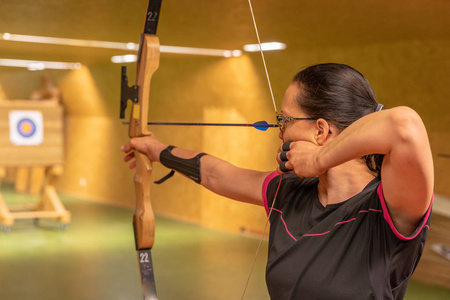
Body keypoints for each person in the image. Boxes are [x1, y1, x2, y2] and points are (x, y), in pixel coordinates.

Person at [121, 63, 434, 299]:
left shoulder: (390, 206)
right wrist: (156, 149)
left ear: (321, 131)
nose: (280, 132)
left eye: (284, 120)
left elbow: (404, 125)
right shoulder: (290, 193)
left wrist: (318, 161)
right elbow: (217, 173)